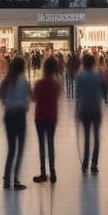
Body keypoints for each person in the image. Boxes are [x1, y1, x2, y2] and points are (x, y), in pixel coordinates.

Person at [0, 56, 31, 190]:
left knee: (11, 149)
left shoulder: (6, 81)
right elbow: (30, 96)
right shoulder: (23, 81)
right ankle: (16, 178)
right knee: (20, 148)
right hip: (20, 115)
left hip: (9, 115)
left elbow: (3, 99)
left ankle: (7, 178)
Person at [32, 55, 61, 183]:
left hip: (40, 116)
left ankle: (43, 172)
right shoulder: (56, 84)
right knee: (51, 143)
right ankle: (53, 171)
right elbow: (57, 96)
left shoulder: (39, 83)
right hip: (52, 115)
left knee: (41, 145)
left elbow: (33, 98)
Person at [76, 53, 103, 174]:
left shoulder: (80, 77)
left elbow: (78, 96)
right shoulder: (98, 76)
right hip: (96, 109)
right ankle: (94, 163)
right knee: (96, 137)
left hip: (84, 109)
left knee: (87, 138)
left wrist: (76, 111)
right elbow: (102, 90)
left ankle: (85, 164)